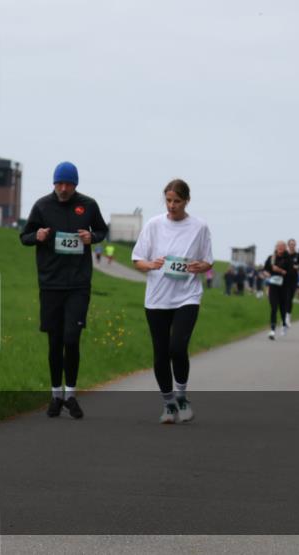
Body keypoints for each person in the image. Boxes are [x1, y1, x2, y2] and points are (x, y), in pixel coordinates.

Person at [20, 161, 109, 419]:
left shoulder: (88, 206)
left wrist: (92, 237)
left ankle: (71, 394)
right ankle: (55, 394)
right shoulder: (42, 206)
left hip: (78, 283)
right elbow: (24, 236)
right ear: (53, 183)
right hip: (50, 283)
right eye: (59, 183)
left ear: (75, 184)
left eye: (68, 184)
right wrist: (36, 236)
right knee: (54, 341)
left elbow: (102, 230)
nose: (63, 188)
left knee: (72, 337)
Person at [132, 179, 214, 424]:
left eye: (177, 201)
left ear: (186, 201)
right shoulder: (154, 225)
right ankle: (168, 404)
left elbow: (207, 261)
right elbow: (137, 260)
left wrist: (202, 266)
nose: (172, 206)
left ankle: (182, 397)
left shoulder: (199, 227)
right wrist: (151, 264)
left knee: (177, 348)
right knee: (160, 352)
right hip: (157, 298)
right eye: (168, 200)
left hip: (187, 296)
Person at [264, 241, 292, 340]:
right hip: (273, 286)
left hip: (284, 286)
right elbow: (265, 269)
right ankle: (272, 330)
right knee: (273, 307)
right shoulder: (271, 258)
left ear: (285, 248)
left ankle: (284, 324)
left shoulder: (288, 259)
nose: (280, 248)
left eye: (282, 246)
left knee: (282, 308)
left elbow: (290, 274)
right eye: (278, 246)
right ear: (276, 247)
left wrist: (279, 270)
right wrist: (266, 273)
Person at [284, 238, 299, 327]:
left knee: (289, 298)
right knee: (285, 297)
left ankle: (288, 316)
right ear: (288, 245)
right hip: (284, 279)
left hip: (293, 279)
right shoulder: (284, 254)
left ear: (295, 245)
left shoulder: (298, 255)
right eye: (290, 244)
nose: (292, 246)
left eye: (294, 244)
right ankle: (285, 315)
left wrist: (298, 267)